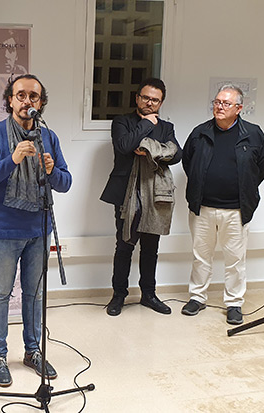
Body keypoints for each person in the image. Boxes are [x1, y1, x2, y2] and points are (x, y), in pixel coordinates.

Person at [0, 74, 72, 387]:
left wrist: (53, 170)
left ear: (40, 103)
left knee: (35, 295)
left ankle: (33, 351)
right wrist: (11, 161)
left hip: (38, 229)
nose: (26, 101)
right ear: (10, 100)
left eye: (33, 96)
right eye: (20, 95)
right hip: (3, 231)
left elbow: (66, 183)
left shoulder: (48, 137)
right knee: (0, 294)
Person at [181, 84, 264, 325]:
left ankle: (234, 304)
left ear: (239, 108)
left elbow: (261, 168)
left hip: (237, 210)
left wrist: (243, 190)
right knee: (201, 257)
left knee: (235, 261)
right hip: (203, 208)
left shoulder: (253, 134)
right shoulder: (200, 132)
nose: (219, 106)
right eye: (217, 102)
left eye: (225, 103)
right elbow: (188, 162)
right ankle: (197, 298)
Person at [100, 78, 182, 317]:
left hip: (156, 194)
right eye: (145, 97)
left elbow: (176, 154)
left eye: (155, 100)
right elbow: (125, 145)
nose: (149, 102)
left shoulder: (167, 127)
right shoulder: (122, 121)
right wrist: (146, 125)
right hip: (126, 193)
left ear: (161, 102)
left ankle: (149, 294)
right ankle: (118, 295)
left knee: (150, 248)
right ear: (137, 98)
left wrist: (147, 148)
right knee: (124, 246)